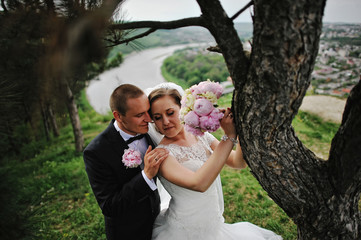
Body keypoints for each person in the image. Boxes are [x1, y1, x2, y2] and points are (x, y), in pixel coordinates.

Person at [147, 85, 283, 240]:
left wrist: (239, 130)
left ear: (182, 108)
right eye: (157, 117)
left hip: (213, 225)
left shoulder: (200, 136)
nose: (165, 121)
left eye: (170, 113)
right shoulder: (162, 154)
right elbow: (199, 183)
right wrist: (228, 136)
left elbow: (238, 162)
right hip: (184, 232)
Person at [83, 84, 168, 240]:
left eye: (147, 111)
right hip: (128, 232)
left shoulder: (150, 131)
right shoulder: (96, 152)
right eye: (139, 115)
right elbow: (110, 206)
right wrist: (146, 175)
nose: (149, 120)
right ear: (118, 116)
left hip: (159, 222)